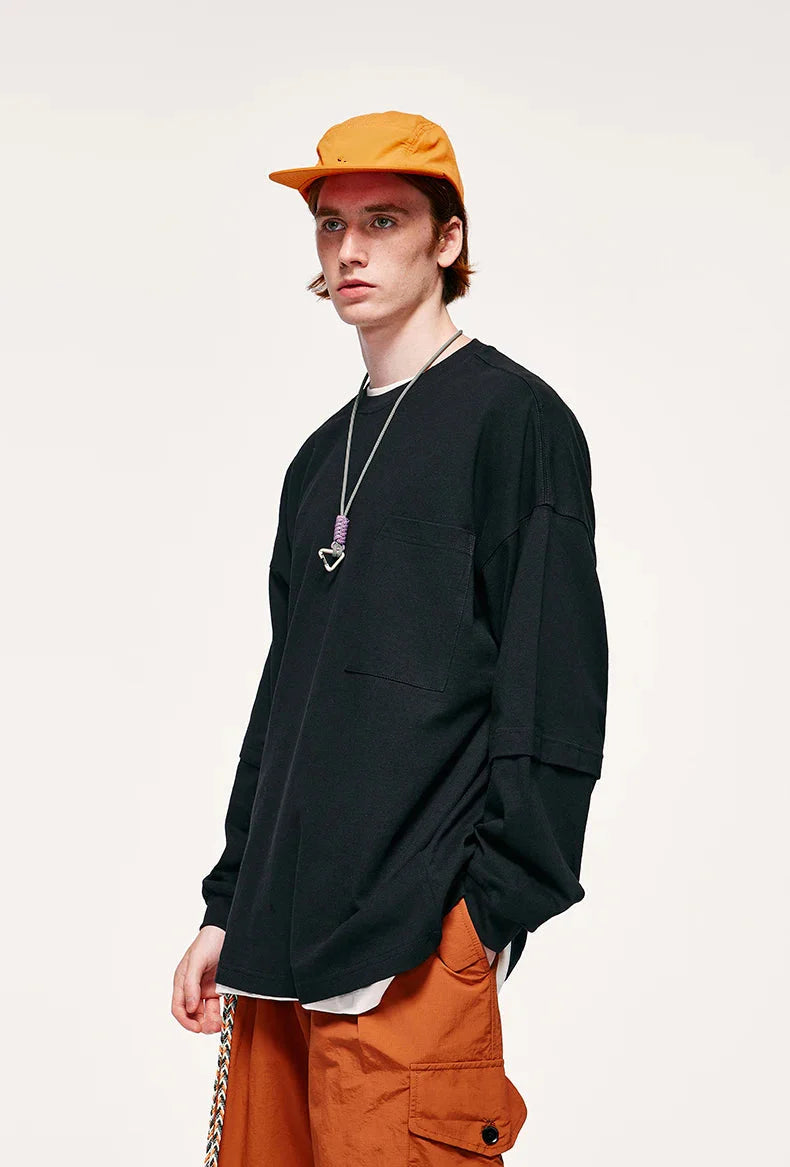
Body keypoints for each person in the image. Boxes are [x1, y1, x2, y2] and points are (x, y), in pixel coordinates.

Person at [171, 110, 609, 1166]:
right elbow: (288, 701)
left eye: (384, 220)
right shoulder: (318, 457)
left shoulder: (514, 421)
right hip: (274, 960)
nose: (350, 251)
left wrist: (485, 918)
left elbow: (552, 689)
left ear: (446, 240)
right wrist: (227, 905)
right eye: (331, 225)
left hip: (409, 960)